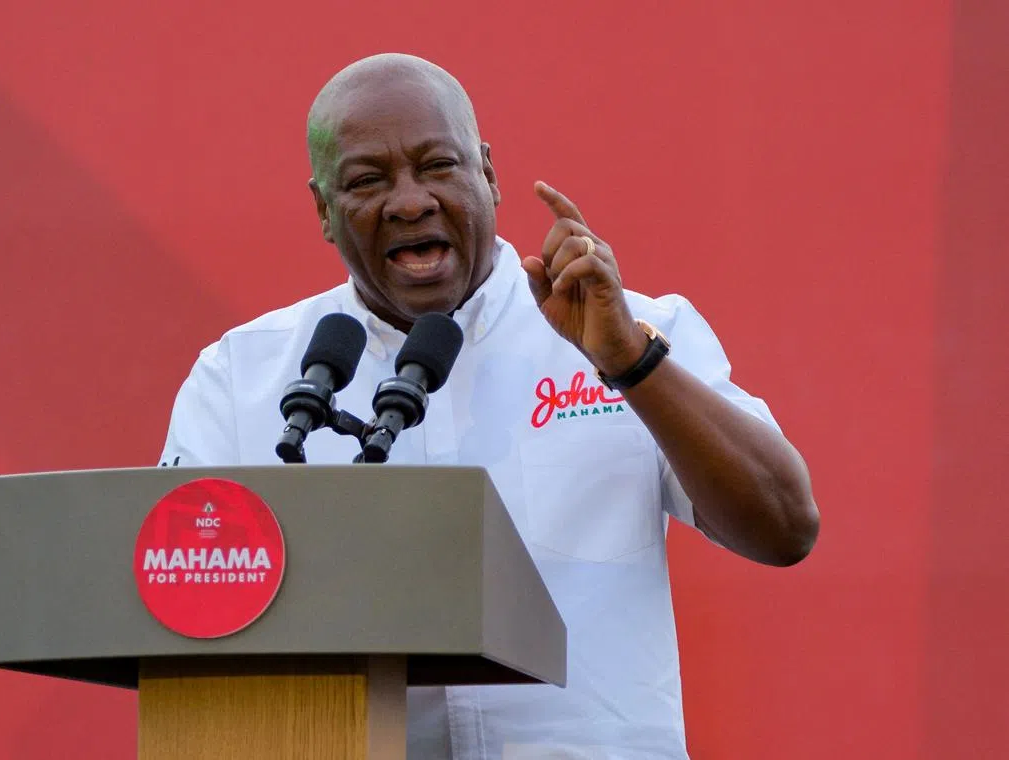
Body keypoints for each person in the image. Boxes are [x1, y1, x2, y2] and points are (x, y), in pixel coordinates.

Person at [159, 53, 819, 759]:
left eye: (438, 166)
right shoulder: (241, 377)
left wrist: (631, 363)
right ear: (324, 211)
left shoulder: (631, 331)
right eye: (366, 181)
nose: (410, 202)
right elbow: (170, 608)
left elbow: (784, 526)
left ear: (489, 174)